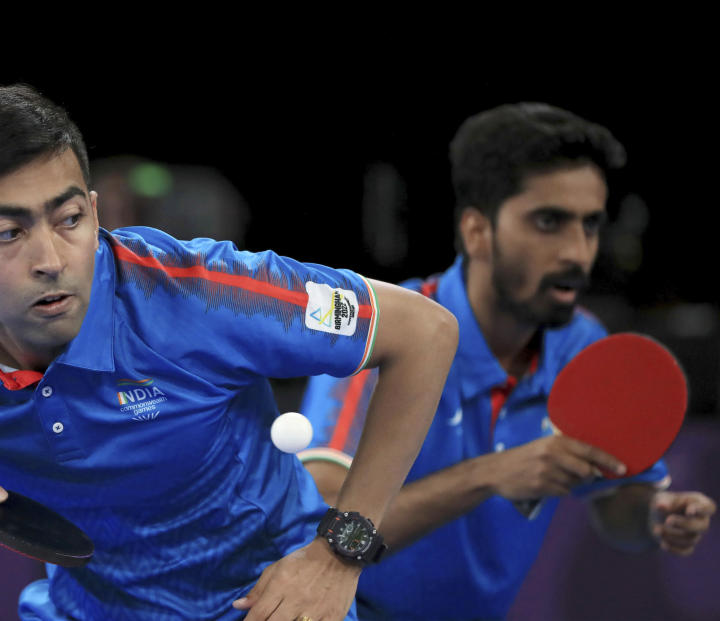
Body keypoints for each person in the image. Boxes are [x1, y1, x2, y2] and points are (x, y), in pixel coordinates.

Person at [0, 84, 458, 621]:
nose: (51, 258)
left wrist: (341, 552)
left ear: (96, 210)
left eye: (69, 219)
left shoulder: (198, 293)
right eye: (7, 233)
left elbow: (424, 332)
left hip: (268, 601)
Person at [299, 102, 716, 620]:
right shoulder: (381, 332)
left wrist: (654, 516)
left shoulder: (581, 346)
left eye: (590, 225)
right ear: (477, 231)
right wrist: (488, 476)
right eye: (549, 222)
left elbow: (615, 502)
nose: (578, 253)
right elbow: (323, 527)